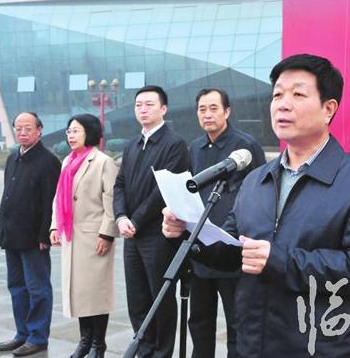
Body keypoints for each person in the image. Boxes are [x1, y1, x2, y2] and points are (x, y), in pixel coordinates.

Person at [163, 54, 350, 357]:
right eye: (277, 95)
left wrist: (279, 260)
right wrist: (187, 230)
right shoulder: (256, 180)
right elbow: (231, 250)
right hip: (252, 343)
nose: (282, 104)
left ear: (328, 109)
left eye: (298, 95)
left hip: (319, 347)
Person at [188, 88, 266, 358]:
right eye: (202, 109)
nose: (207, 114)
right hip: (201, 247)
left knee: (237, 322)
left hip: (233, 249)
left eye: (213, 108)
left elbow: (260, 194)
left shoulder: (245, 147)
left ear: (227, 112)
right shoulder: (195, 147)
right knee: (199, 320)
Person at [113, 85, 189, 358]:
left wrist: (135, 220)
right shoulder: (131, 145)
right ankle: (143, 349)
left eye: (149, 104)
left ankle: (162, 352)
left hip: (158, 234)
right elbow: (120, 185)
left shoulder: (174, 144)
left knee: (161, 297)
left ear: (163, 109)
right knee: (137, 297)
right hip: (131, 234)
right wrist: (121, 217)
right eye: (138, 105)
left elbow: (162, 193)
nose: (142, 110)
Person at [50, 114, 119, 358]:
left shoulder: (102, 162)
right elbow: (58, 197)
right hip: (72, 236)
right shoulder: (67, 161)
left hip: (94, 238)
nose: (71, 136)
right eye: (69, 131)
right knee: (79, 293)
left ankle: (98, 345)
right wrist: (54, 227)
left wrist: (107, 234)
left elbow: (111, 201)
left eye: (76, 131)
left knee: (96, 294)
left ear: (89, 132)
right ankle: (85, 340)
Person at [0, 112, 61, 356]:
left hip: (34, 238)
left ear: (39, 130)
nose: (22, 133)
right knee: (16, 286)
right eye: (18, 128)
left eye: (28, 128)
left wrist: (45, 234)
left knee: (37, 288)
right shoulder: (13, 157)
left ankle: (38, 336)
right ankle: (22, 333)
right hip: (12, 234)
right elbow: (8, 196)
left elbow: (50, 201)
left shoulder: (48, 161)